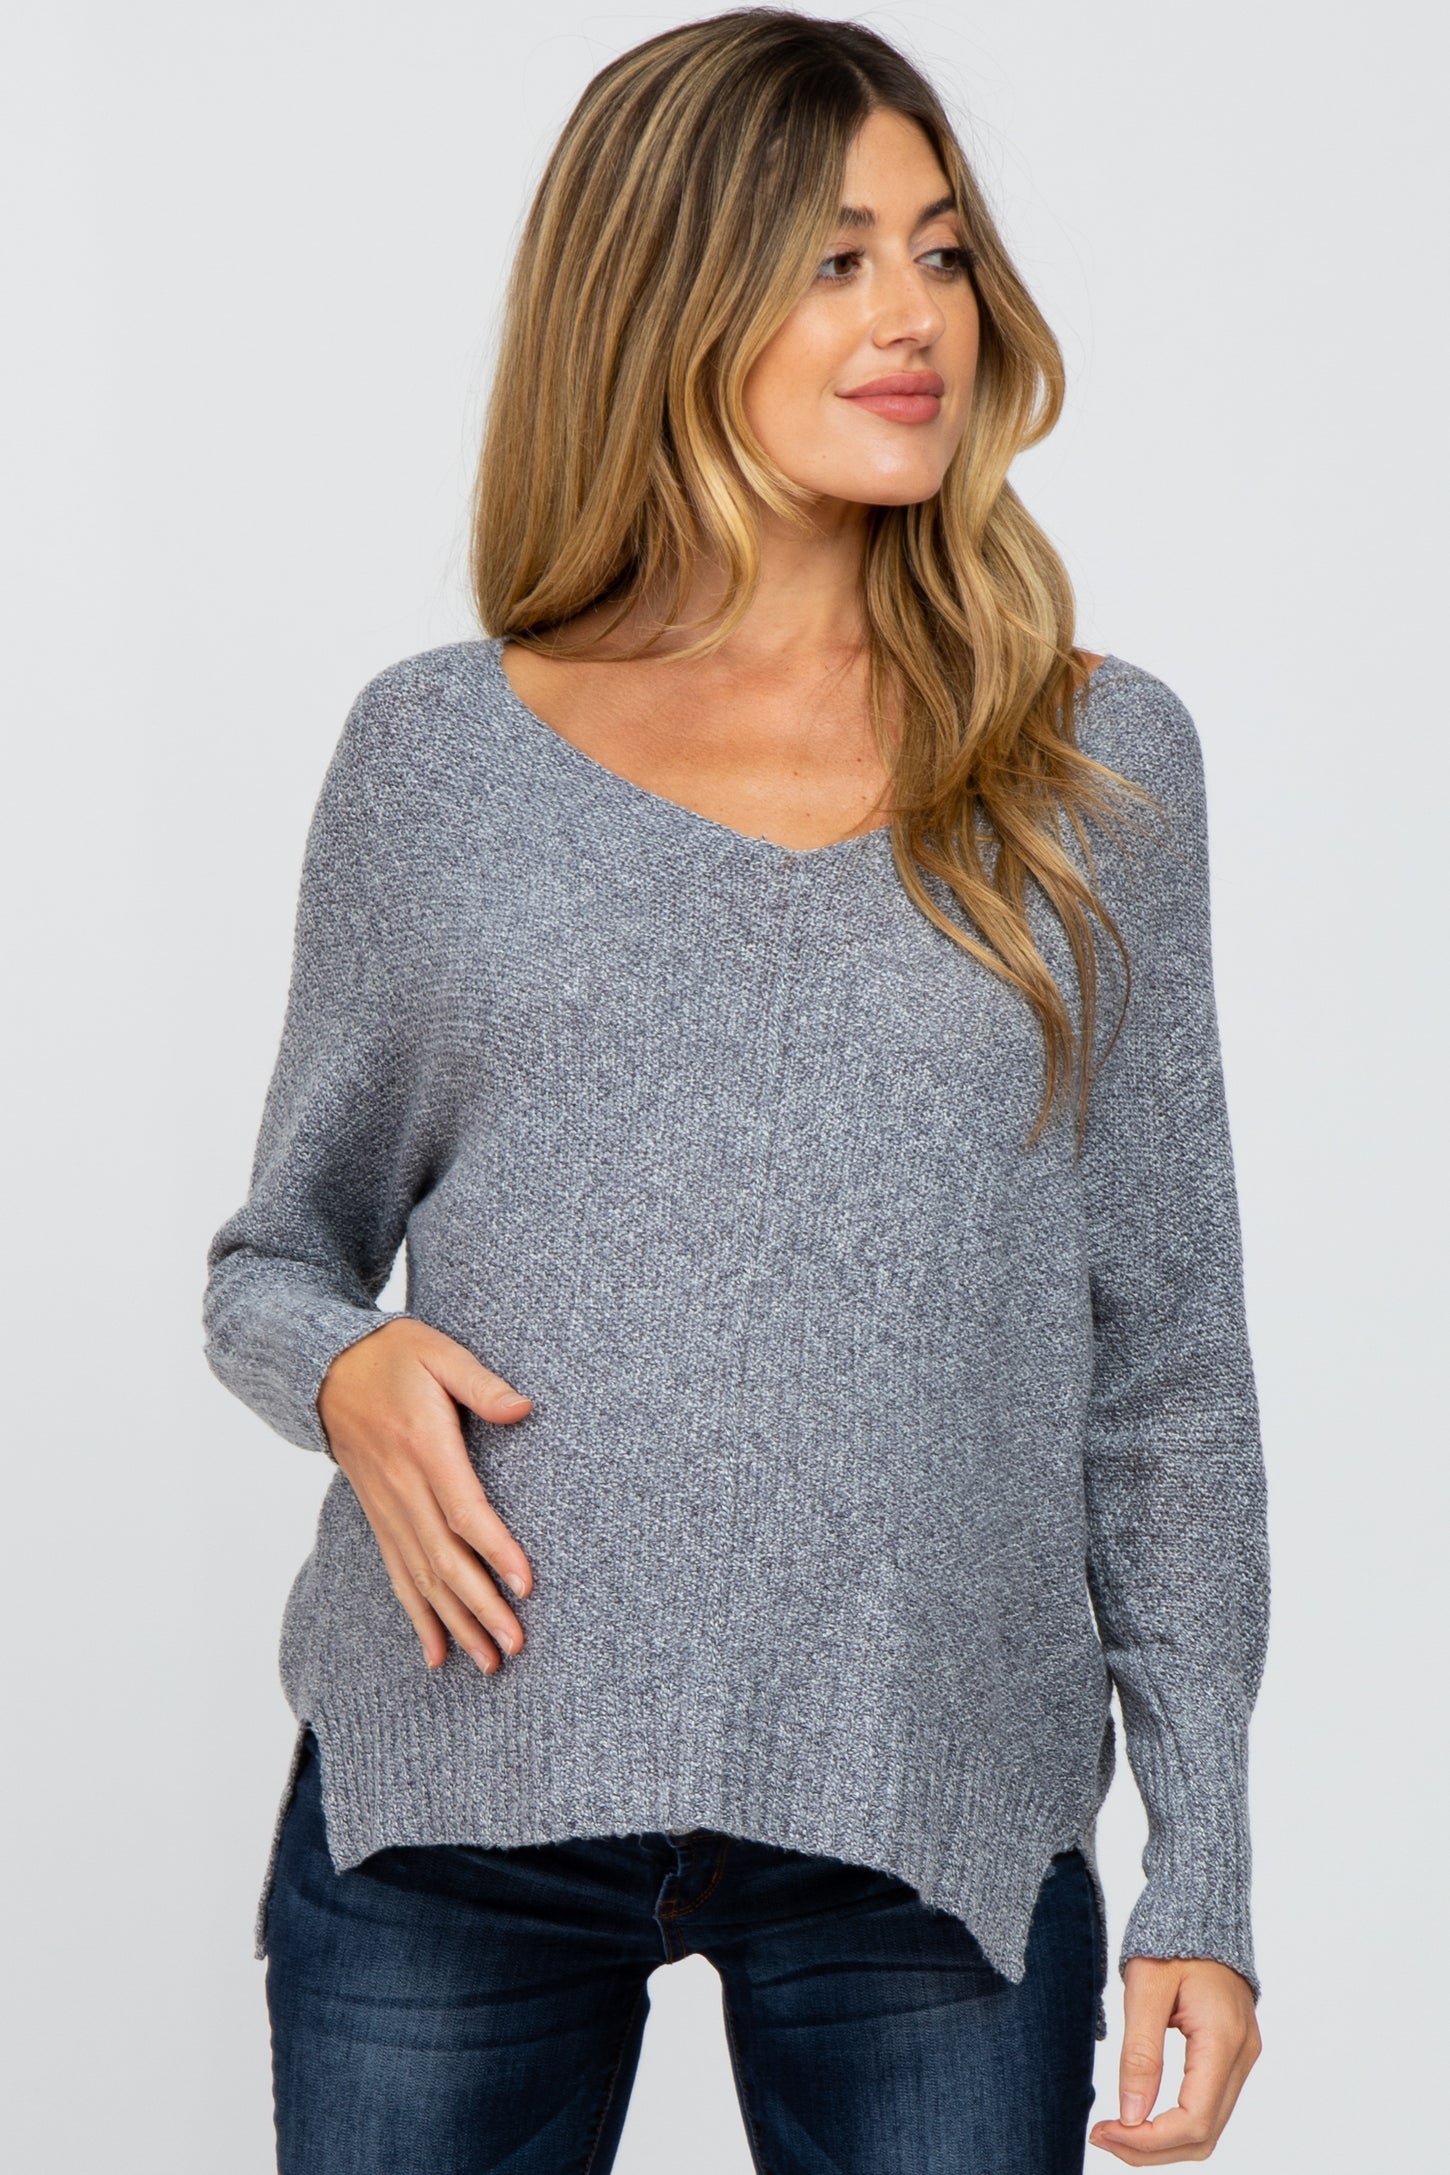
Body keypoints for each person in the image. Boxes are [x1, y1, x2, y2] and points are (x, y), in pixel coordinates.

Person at [202, 11, 1270, 2171]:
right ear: (662, 298)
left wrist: (1205, 1873)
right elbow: (272, 1261)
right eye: (832, 260)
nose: (914, 317)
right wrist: (342, 1369)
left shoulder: (1090, 765)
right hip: (462, 1783)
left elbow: (1163, 1361)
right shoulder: (441, 758)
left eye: (938, 252)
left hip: (932, 1813)